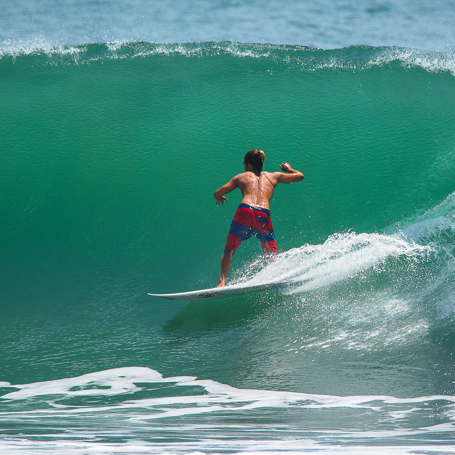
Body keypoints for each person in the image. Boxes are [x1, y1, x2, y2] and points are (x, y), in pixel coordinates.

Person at [214, 149, 304, 287]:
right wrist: (289, 169)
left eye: (245, 164)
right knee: (271, 254)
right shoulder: (273, 176)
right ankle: (278, 279)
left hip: (245, 211)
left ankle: (222, 282)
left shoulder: (241, 177)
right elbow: (300, 176)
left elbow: (217, 193)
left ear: (249, 165)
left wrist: (219, 197)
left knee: (229, 250)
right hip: (263, 213)